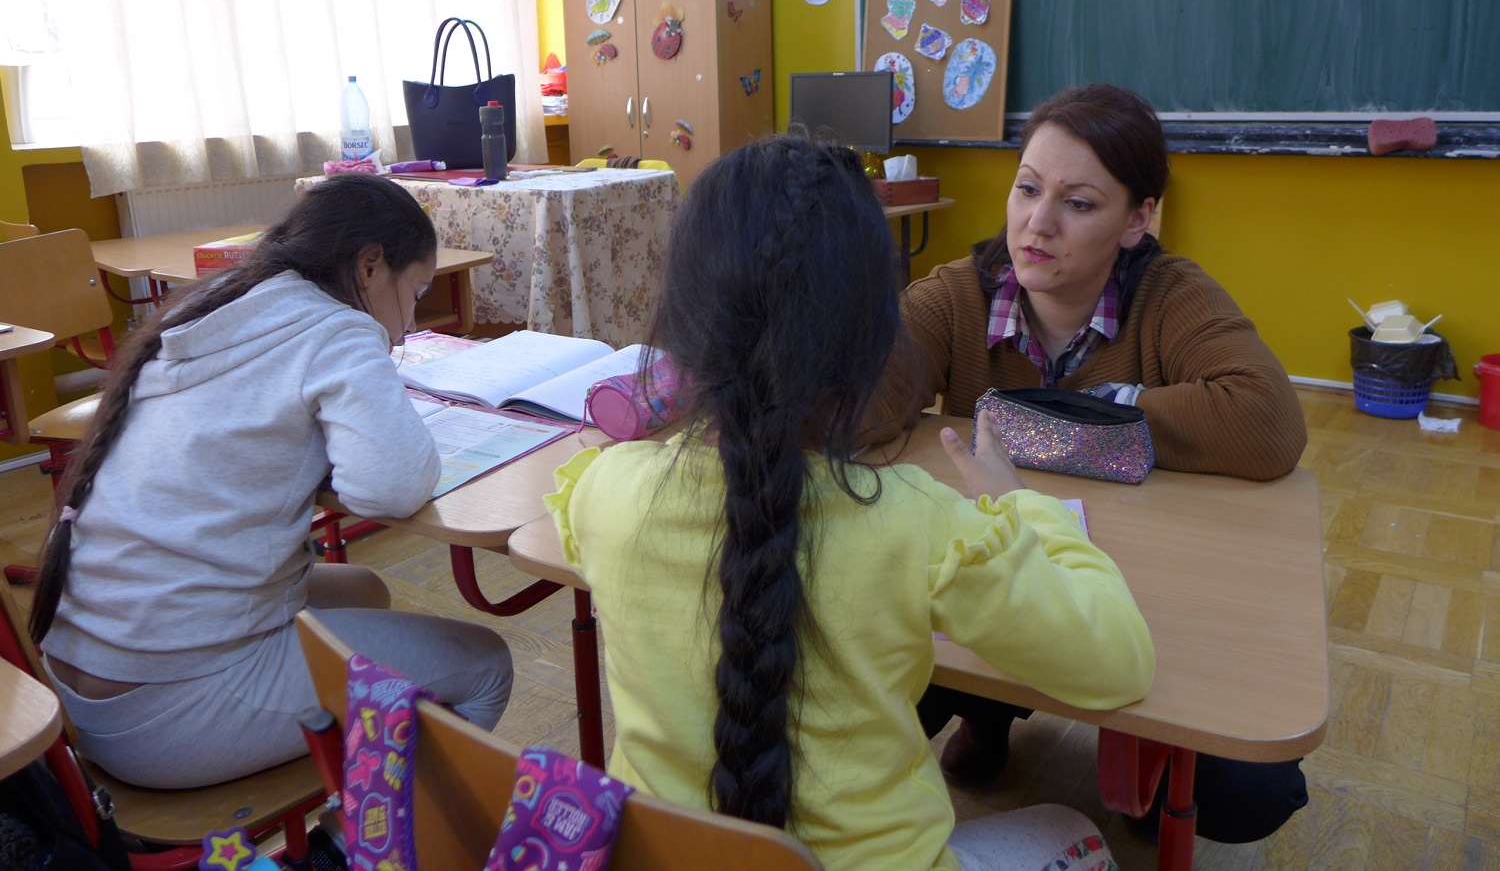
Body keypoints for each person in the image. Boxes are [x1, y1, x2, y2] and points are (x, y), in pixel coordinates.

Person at [546, 135, 1155, 871]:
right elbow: (1118, 661)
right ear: (872, 334)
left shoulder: (606, 493)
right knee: (1068, 824)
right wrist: (1024, 509)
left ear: (682, 315)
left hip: (668, 858)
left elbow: (611, 512)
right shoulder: (919, 522)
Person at [870, 83, 1309, 843]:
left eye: (1079, 203)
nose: (1037, 224)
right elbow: (862, 397)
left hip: (1136, 585)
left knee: (1248, 793)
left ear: (1138, 218)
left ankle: (1129, 739)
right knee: (855, 707)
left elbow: (1269, 422)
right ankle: (989, 704)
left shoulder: (1170, 297)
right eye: (1027, 189)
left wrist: (1091, 414)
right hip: (997, 577)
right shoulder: (957, 295)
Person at [29, 173, 514, 790]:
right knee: (486, 664)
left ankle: (351, 795)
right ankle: (368, 841)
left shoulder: (228, 299)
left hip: (84, 675)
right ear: (370, 266)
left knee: (363, 588)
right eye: (415, 292)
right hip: (165, 707)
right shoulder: (338, 327)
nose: (407, 325)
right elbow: (390, 486)